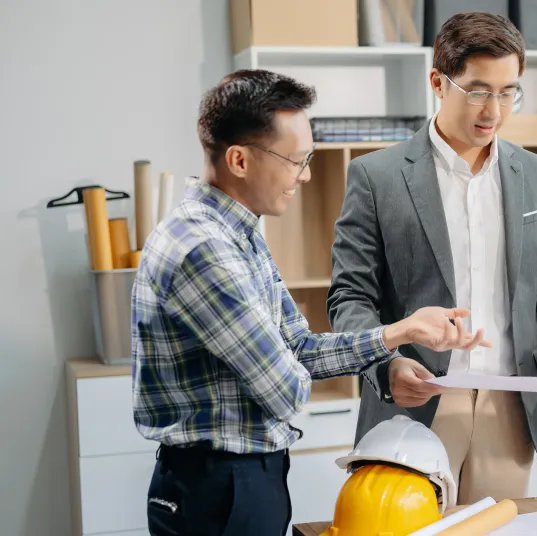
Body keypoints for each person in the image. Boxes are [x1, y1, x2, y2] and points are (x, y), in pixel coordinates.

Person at [131, 69, 489, 536]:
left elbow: (298, 348)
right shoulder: (204, 250)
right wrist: (300, 359)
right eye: (296, 160)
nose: (306, 174)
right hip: (217, 489)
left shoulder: (240, 236)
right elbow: (287, 390)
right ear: (239, 160)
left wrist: (400, 332)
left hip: (240, 480)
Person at [326, 11, 537, 505]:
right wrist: (387, 367)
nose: (495, 110)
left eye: (509, 91)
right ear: (438, 83)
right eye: (479, 90)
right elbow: (349, 297)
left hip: (510, 408)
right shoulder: (375, 177)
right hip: (414, 405)